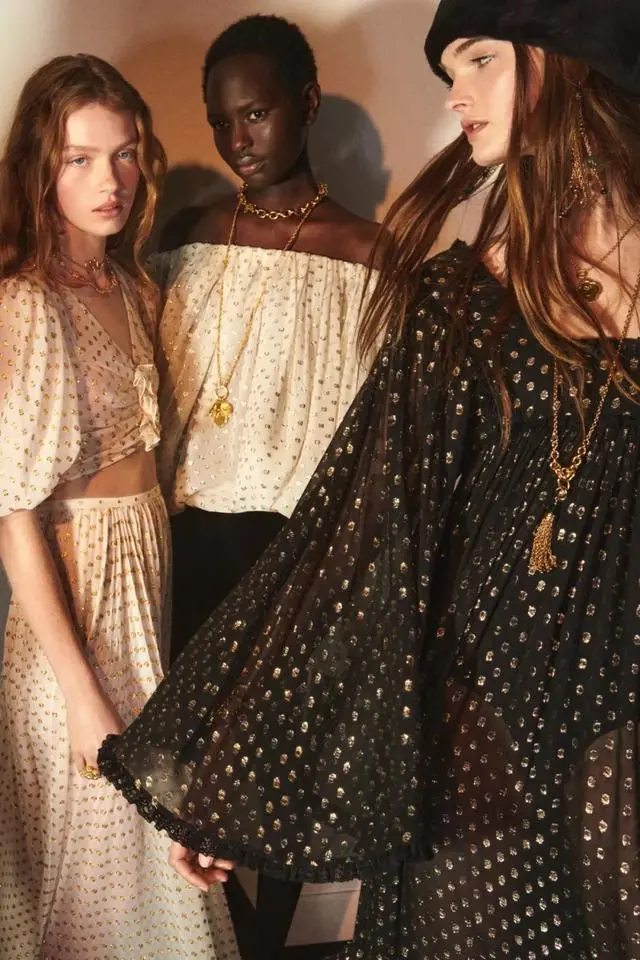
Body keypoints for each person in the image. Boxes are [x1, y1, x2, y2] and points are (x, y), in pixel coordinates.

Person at [101, 0, 640, 956]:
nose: (456, 96)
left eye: (478, 60)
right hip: (484, 721)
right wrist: (231, 771)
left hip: (618, 716)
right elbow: (356, 534)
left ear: (564, 55)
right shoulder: (462, 299)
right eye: (445, 72)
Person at [0, 55, 239, 960]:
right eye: (79, 158)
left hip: (144, 589)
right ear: (40, 168)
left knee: (146, 868)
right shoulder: (27, 303)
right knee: (93, 879)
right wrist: (78, 696)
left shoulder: (135, 288)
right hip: (77, 609)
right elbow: (14, 517)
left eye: (125, 153)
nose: (112, 180)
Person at [150, 17, 379, 955]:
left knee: (288, 771)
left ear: (306, 104)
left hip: (298, 549)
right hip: (190, 538)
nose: (237, 138)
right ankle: (220, 939)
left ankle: (268, 943)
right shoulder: (190, 235)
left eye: (256, 113)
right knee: (183, 774)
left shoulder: (366, 253)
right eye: (220, 121)